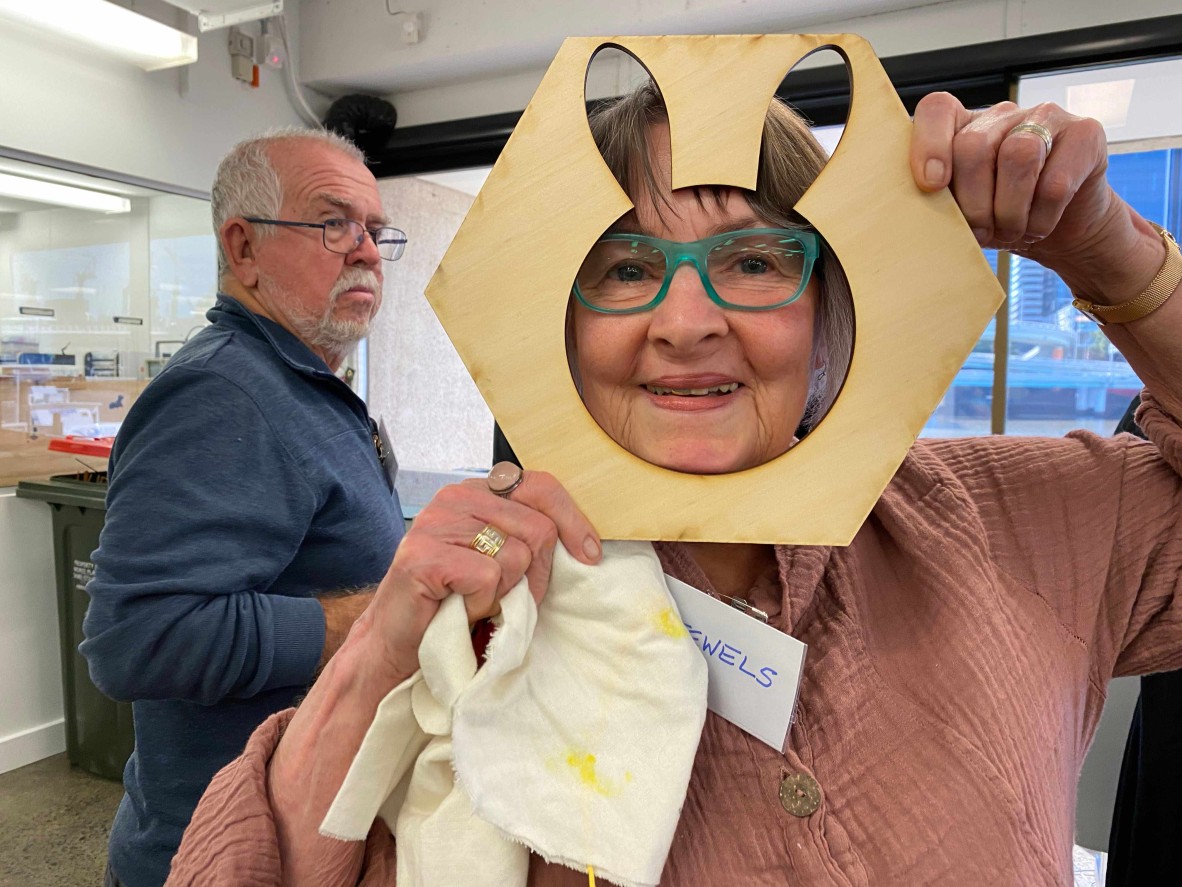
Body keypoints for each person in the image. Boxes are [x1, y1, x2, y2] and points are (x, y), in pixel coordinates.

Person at [167, 79, 1182, 885]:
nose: (687, 320)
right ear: (555, 326)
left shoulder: (1009, 520)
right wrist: (382, 643)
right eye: (619, 268)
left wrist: (1113, 253)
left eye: (750, 261)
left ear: (829, 304)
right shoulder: (480, 625)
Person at [80, 127, 412, 887]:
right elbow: (135, 636)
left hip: (304, 829)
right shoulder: (223, 393)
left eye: (375, 229)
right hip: (229, 851)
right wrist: (380, 619)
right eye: (334, 223)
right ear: (244, 248)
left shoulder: (306, 383)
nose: (365, 249)